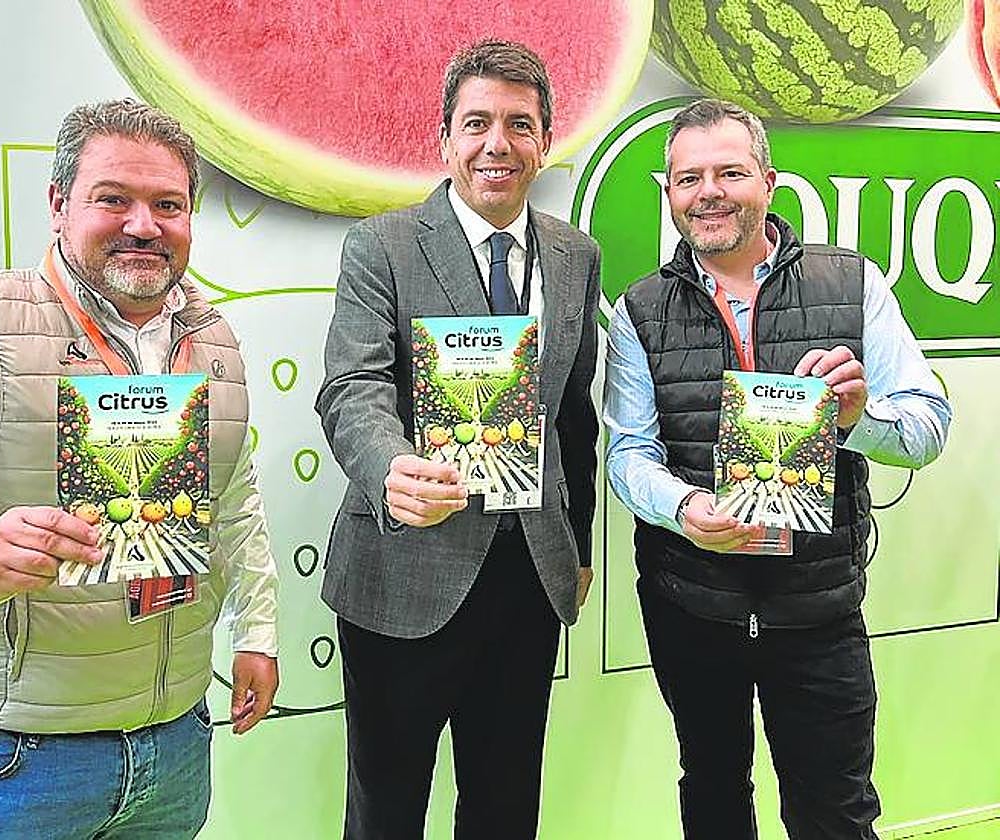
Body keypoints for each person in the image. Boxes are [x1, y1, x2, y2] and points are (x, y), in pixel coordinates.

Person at [0, 99, 279, 840]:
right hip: (13, 762)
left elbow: (234, 504)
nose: (144, 224)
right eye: (114, 199)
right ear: (58, 205)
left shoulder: (214, 341)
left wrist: (255, 631)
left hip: (174, 742)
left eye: (168, 204)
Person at [603, 98, 952, 839]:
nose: (709, 192)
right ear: (668, 193)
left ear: (768, 181)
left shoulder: (851, 284)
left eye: (729, 171)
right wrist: (684, 508)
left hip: (817, 610)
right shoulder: (640, 310)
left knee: (836, 810)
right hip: (691, 605)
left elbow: (927, 429)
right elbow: (629, 453)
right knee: (713, 794)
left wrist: (856, 422)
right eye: (688, 177)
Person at [315, 39, 600, 840]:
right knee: (387, 807)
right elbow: (351, 387)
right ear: (445, 139)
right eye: (477, 123)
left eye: (519, 124)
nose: (497, 144)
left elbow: (572, 412)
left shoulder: (576, 255)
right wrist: (390, 467)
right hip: (405, 568)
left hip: (529, 572)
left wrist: (577, 548)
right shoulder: (383, 245)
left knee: (507, 805)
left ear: (545, 141)